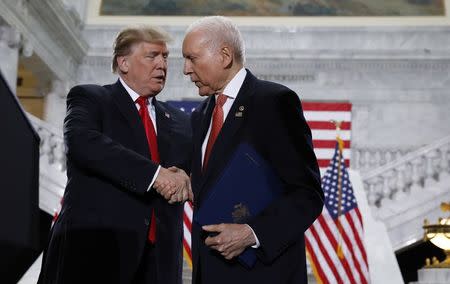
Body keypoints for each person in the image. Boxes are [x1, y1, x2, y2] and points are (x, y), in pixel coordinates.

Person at [38, 26, 192, 284]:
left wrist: (187, 179)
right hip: (95, 255)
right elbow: (84, 143)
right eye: (152, 56)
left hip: (158, 265)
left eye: (165, 57)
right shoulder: (91, 98)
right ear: (123, 63)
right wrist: (155, 175)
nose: (162, 65)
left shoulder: (179, 121)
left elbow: (191, 174)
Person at [182, 16, 324, 283]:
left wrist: (252, 233)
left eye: (192, 58)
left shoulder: (274, 102)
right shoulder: (201, 116)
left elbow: (307, 194)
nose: (185, 70)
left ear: (224, 55)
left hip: (263, 274)